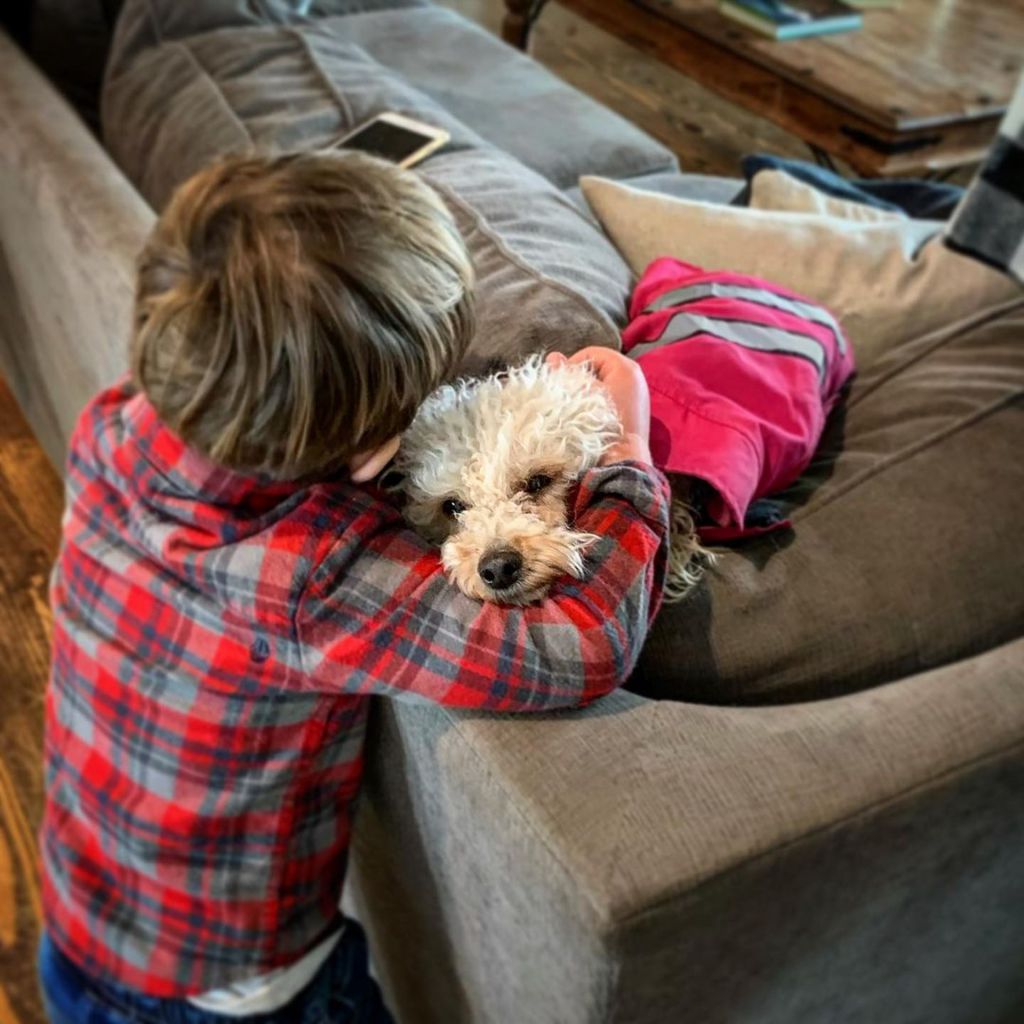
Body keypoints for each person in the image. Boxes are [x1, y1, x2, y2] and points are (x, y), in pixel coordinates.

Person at [38, 150, 669, 1024]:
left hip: (79, 914)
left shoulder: (117, 422)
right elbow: (580, 645)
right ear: (378, 456)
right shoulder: (310, 573)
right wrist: (627, 448)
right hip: (234, 991)